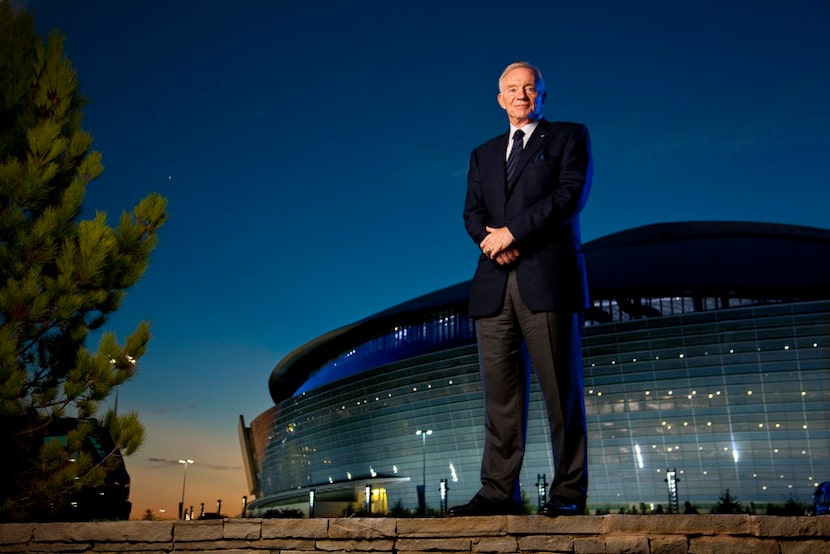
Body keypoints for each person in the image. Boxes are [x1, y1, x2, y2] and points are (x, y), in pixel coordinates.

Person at [449, 61, 592, 517]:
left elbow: (569, 196)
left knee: (559, 394)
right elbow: (472, 212)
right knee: (501, 401)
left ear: (543, 95)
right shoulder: (482, 153)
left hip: (547, 281)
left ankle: (568, 495)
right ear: (499, 98)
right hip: (493, 286)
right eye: (512, 89)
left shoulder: (570, 137)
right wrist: (492, 243)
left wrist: (513, 234)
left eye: (530, 88)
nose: (521, 95)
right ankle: (497, 494)